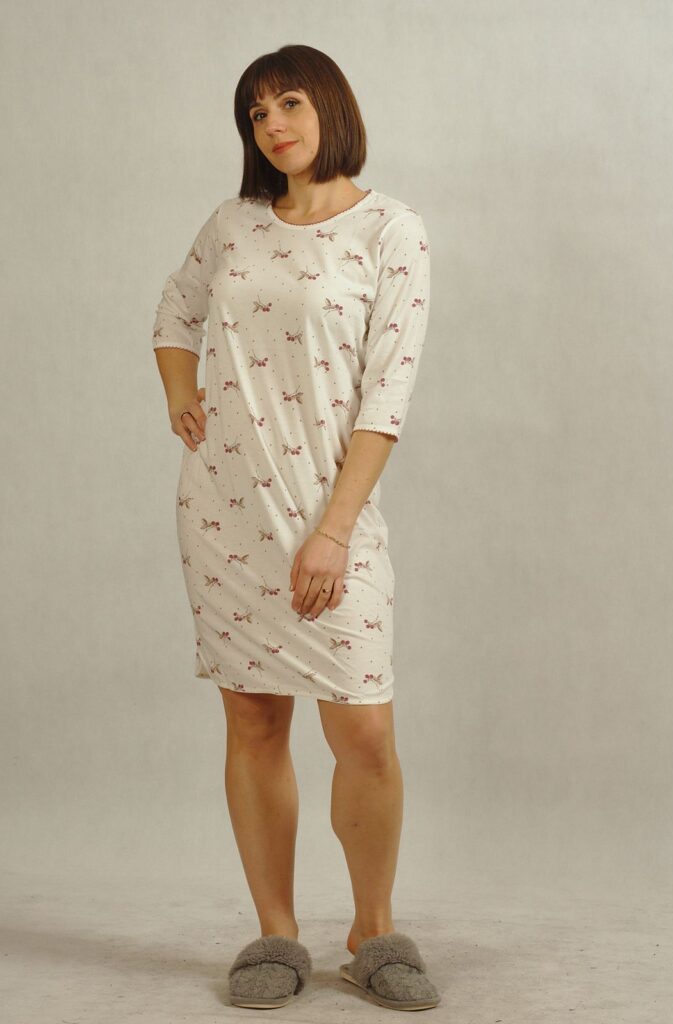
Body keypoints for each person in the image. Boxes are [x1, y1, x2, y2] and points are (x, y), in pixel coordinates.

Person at [151, 44, 438, 1011]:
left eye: (289, 104)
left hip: (328, 515)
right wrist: (182, 394)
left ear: (330, 108)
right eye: (256, 113)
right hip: (224, 511)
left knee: (365, 731)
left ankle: (372, 929)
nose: (272, 125)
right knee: (253, 720)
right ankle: (275, 933)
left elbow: (387, 394)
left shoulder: (392, 230)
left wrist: (335, 532)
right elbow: (175, 312)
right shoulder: (233, 223)